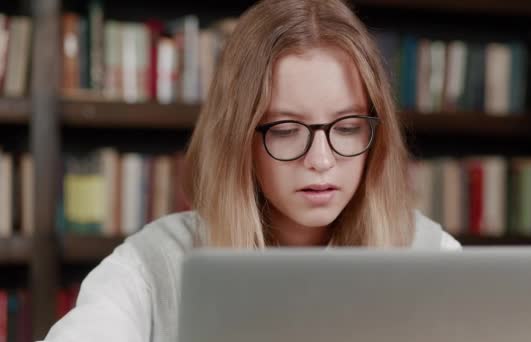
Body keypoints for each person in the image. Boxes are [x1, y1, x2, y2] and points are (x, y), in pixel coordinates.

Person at [43, 0, 461, 341]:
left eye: (348, 127)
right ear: (238, 138)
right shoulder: (155, 266)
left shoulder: (432, 255)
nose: (321, 159)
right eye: (285, 130)